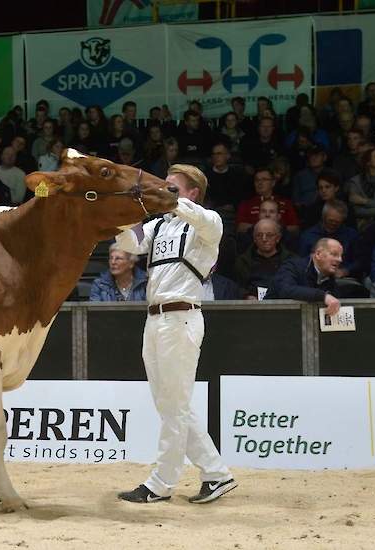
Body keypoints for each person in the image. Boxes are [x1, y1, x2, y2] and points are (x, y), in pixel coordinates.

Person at [115, 164, 236, 505]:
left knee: (175, 406)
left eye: (172, 186)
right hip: (154, 319)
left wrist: (164, 197)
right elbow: (130, 243)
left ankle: (161, 483)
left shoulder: (209, 223)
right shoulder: (159, 226)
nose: (164, 190)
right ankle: (216, 474)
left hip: (182, 317)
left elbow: (194, 216)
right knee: (171, 404)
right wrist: (125, 214)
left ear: (192, 192)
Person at [265, 238, 344, 315]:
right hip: (273, 319)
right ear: (318, 254)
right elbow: (286, 289)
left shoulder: (330, 279)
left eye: (341, 256)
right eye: (334, 254)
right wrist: (323, 296)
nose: (340, 260)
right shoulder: (292, 266)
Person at [234, 218, 295, 300]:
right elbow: (235, 286)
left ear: (278, 238)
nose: (264, 239)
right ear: (254, 239)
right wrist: (246, 295)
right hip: (251, 307)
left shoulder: (291, 261)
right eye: (259, 235)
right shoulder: (243, 261)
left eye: (269, 235)